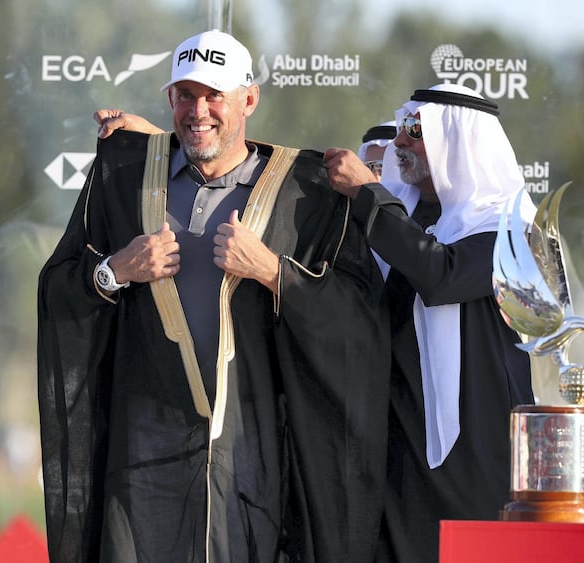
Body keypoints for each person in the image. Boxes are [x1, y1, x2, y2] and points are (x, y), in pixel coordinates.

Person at [38, 30, 390, 563]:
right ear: (170, 100)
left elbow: (359, 323)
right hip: (141, 454)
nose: (198, 110)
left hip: (251, 456)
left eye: (214, 96)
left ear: (248, 100)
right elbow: (59, 287)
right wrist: (116, 269)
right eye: (185, 94)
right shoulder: (127, 179)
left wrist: (273, 272)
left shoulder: (305, 195)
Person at [324, 83, 538, 562]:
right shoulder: (406, 218)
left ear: (459, 142)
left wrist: (367, 193)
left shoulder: (510, 229)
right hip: (396, 444)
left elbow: (440, 275)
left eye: (415, 131)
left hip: (474, 451)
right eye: (402, 129)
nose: (400, 142)